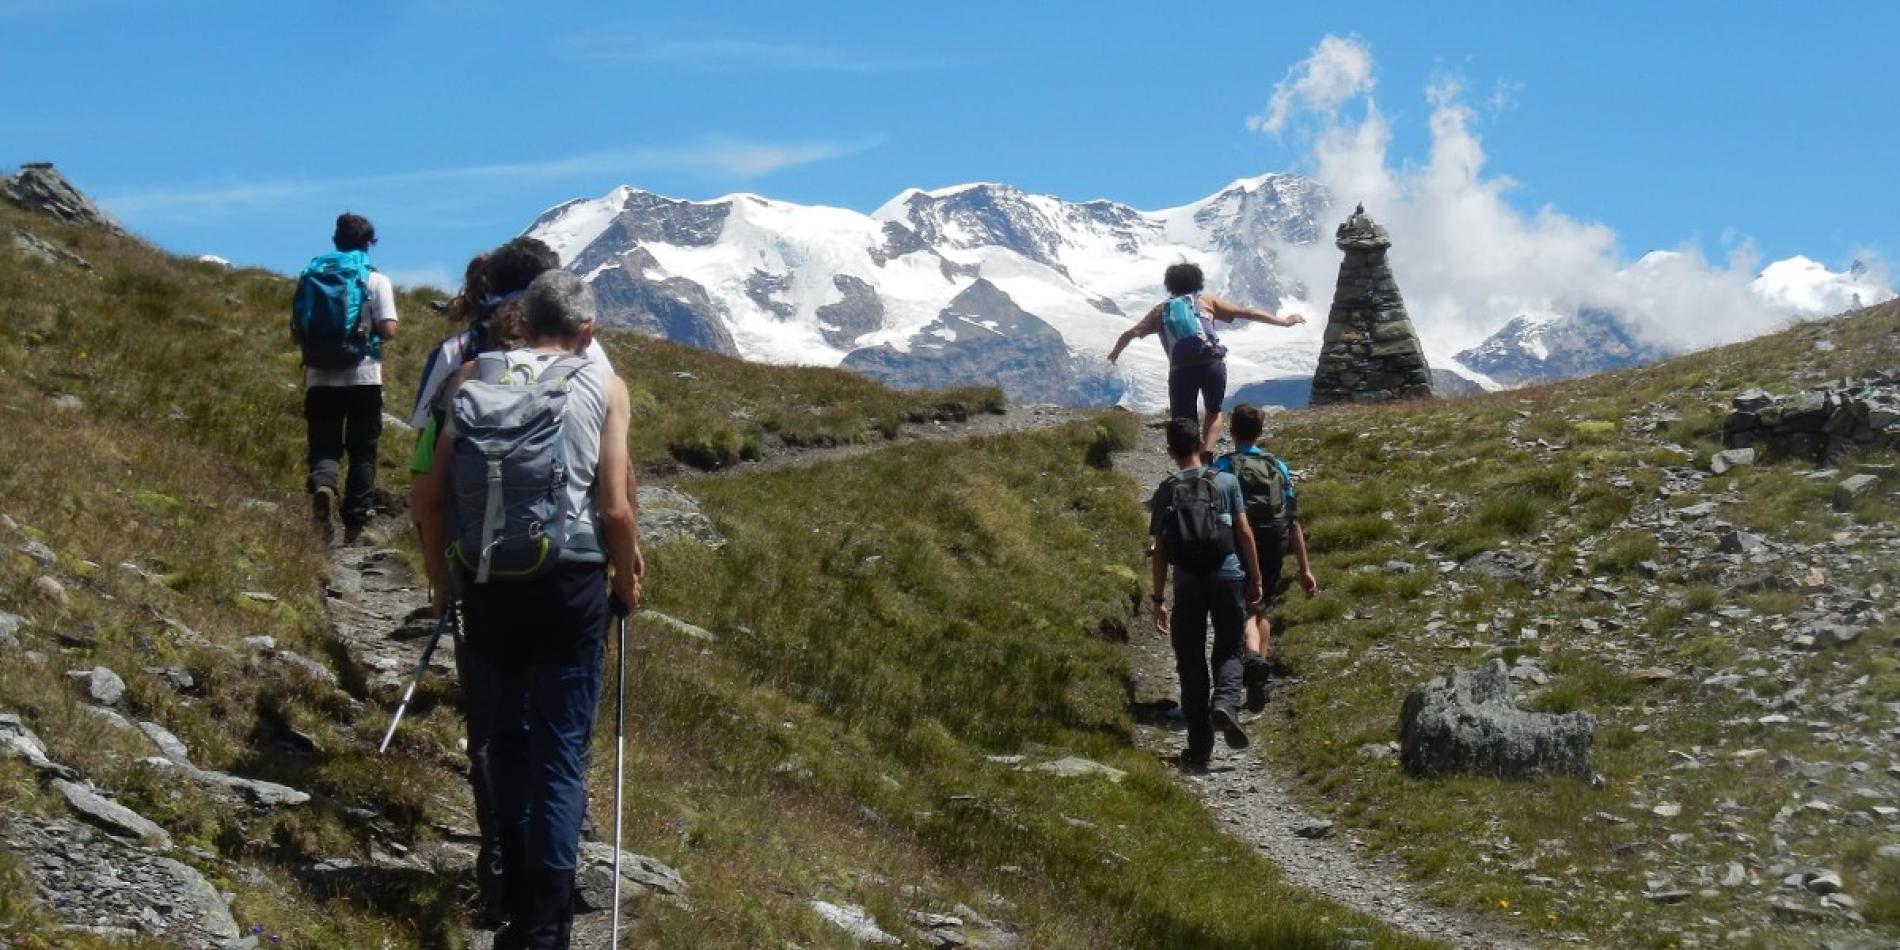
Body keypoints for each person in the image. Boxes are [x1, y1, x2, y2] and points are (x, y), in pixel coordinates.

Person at [413, 270, 643, 949]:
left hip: (487, 581)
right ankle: (546, 929)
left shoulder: (470, 382)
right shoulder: (605, 386)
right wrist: (626, 577)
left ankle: (511, 903)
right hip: (569, 584)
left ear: (519, 320)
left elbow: (426, 498)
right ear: (587, 331)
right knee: (560, 753)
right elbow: (615, 506)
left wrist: (440, 581)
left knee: (505, 739)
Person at [1149, 417, 1264, 771]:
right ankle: (1226, 704)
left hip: (1187, 583)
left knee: (1190, 661)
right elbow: (1243, 531)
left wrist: (1158, 600)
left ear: (1170, 451)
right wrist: (1255, 577)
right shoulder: (1226, 481)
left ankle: (1199, 748)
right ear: (1201, 445)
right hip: (1227, 575)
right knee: (1229, 646)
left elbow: (1161, 549)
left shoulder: (1165, 491)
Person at [1107, 262, 1305, 457]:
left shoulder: (1161, 311)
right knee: (1213, 411)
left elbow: (1130, 334)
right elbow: (1247, 312)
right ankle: (1207, 452)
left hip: (1180, 370)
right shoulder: (1206, 301)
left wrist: (1114, 354)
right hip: (1211, 364)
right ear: (1197, 282)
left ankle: (1191, 459)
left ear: (1169, 285)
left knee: (1184, 419)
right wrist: (1285, 321)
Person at [293, 212, 399, 545]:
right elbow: (389, 329)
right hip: (364, 374)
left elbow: (297, 333)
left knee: (324, 442)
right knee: (362, 449)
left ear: (335, 240)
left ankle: (324, 485)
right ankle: (356, 522)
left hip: (320, 375)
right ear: (369, 243)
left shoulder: (311, 275)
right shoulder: (374, 279)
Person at [1212, 404, 1320, 710]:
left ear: (1232, 432)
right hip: (1276, 539)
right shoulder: (1278, 466)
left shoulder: (1223, 465)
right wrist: (1304, 568)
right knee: (1263, 607)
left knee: (1246, 608)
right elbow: (1293, 518)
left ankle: (1254, 659)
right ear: (1260, 432)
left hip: (1239, 540)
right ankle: (1261, 671)